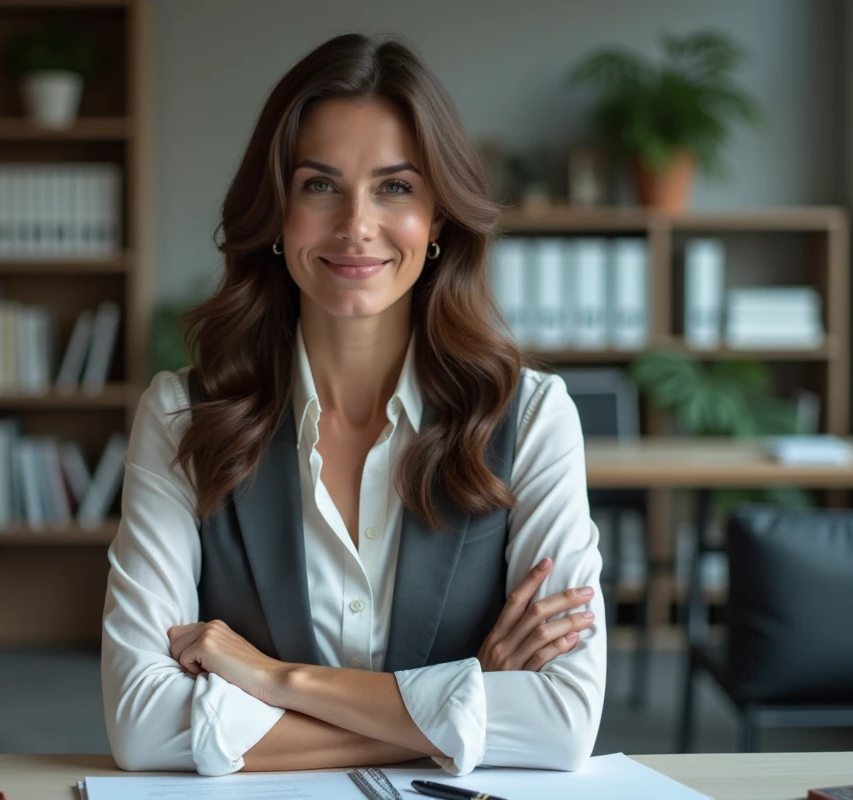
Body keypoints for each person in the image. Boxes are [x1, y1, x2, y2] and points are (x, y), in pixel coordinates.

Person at [102, 32, 605, 777]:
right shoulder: (182, 415)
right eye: (319, 184)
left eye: (395, 187)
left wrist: (277, 682)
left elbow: (563, 725)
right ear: (276, 211)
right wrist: (460, 705)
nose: (356, 225)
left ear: (438, 218)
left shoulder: (531, 419)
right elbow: (141, 726)